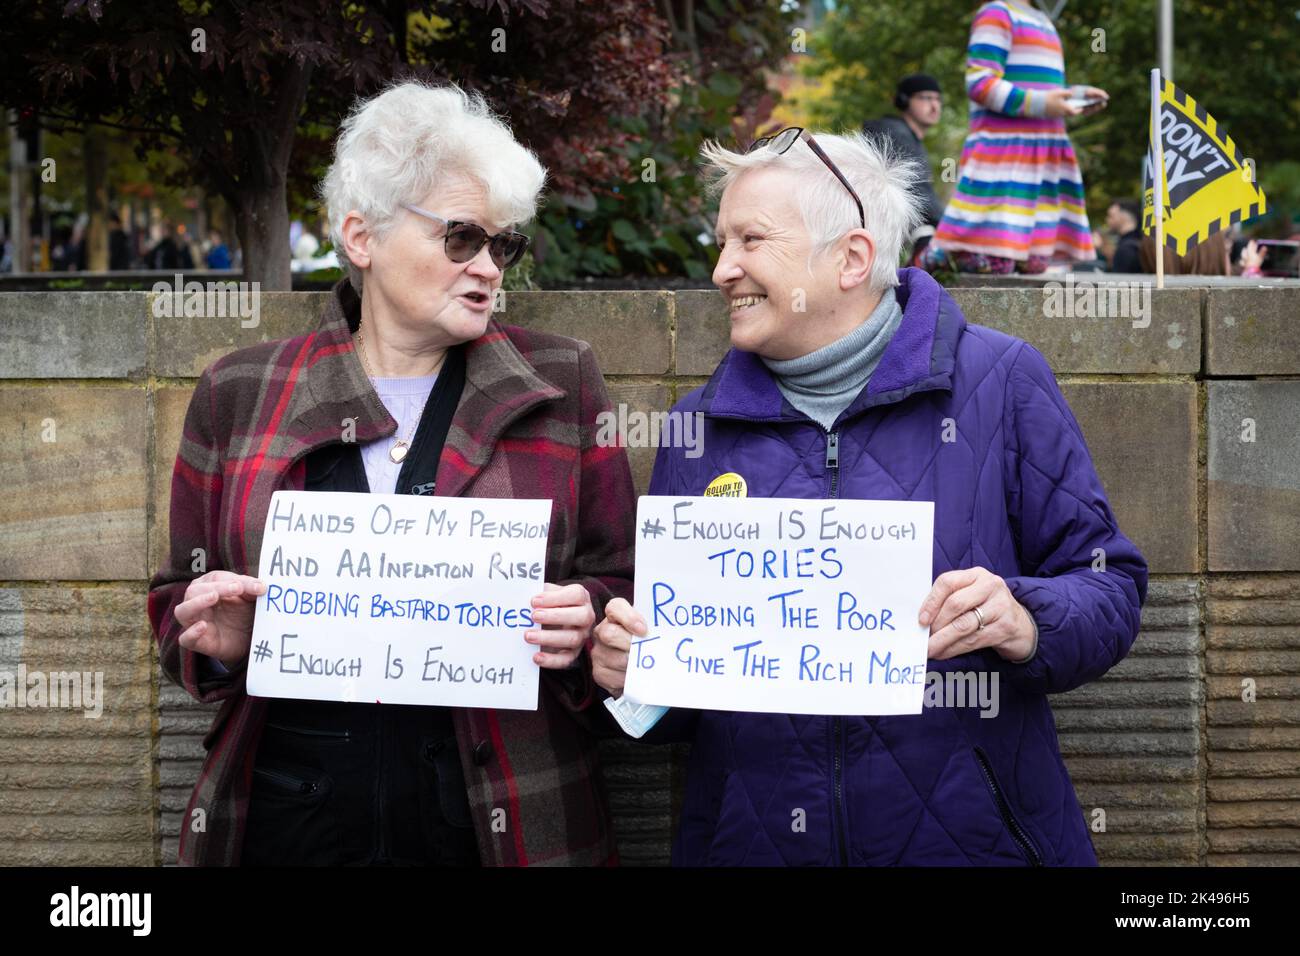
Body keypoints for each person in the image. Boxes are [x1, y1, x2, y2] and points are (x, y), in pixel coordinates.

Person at [591, 128, 1148, 866]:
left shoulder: (1002, 379)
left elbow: (1112, 587)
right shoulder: (698, 424)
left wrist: (1025, 619)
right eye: (720, 241)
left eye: (750, 240)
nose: (722, 269)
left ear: (852, 258)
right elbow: (687, 695)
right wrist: (636, 679)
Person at [147, 81, 637, 867]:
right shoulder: (238, 390)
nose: (487, 268)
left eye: (501, 245)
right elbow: (177, 596)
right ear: (361, 235)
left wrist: (587, 624)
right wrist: (219, 640)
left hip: (503, 810)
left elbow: (622, 585)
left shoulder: (562, 380)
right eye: (460, 238)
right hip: (290, 815)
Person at [923, 0, 1107, 275]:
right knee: (993, 258)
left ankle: (948, 256)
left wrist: (1073, 96)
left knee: (1033, 262)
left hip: (1041, 150)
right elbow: (980, 83)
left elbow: (1039, 85)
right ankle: (939, 256)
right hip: (1007, 153)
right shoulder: (997, 13)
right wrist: (1043, 103)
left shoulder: (1043, 20)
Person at [863, 74, 944, 262]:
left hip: (880, 227)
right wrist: (949, 226)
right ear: (904, 101)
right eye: (925, 98)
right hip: (872, 223)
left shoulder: (907, 136)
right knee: (930, 236)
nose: (934, 106)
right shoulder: (894, 133)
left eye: (938, 99)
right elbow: (918, 187)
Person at [1105, 199, 1142, 273]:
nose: (1107, 220)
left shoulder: (1127, 249)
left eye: (1111, 216)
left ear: (1124, 217)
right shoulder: (1140, 241)